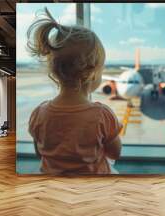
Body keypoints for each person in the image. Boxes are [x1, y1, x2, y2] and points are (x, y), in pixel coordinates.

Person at [27, 8, 122, 175]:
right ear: (91, 74)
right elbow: (115, 153)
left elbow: (39, 153)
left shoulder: (39, 113)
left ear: (54, 71)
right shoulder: (102, 115)